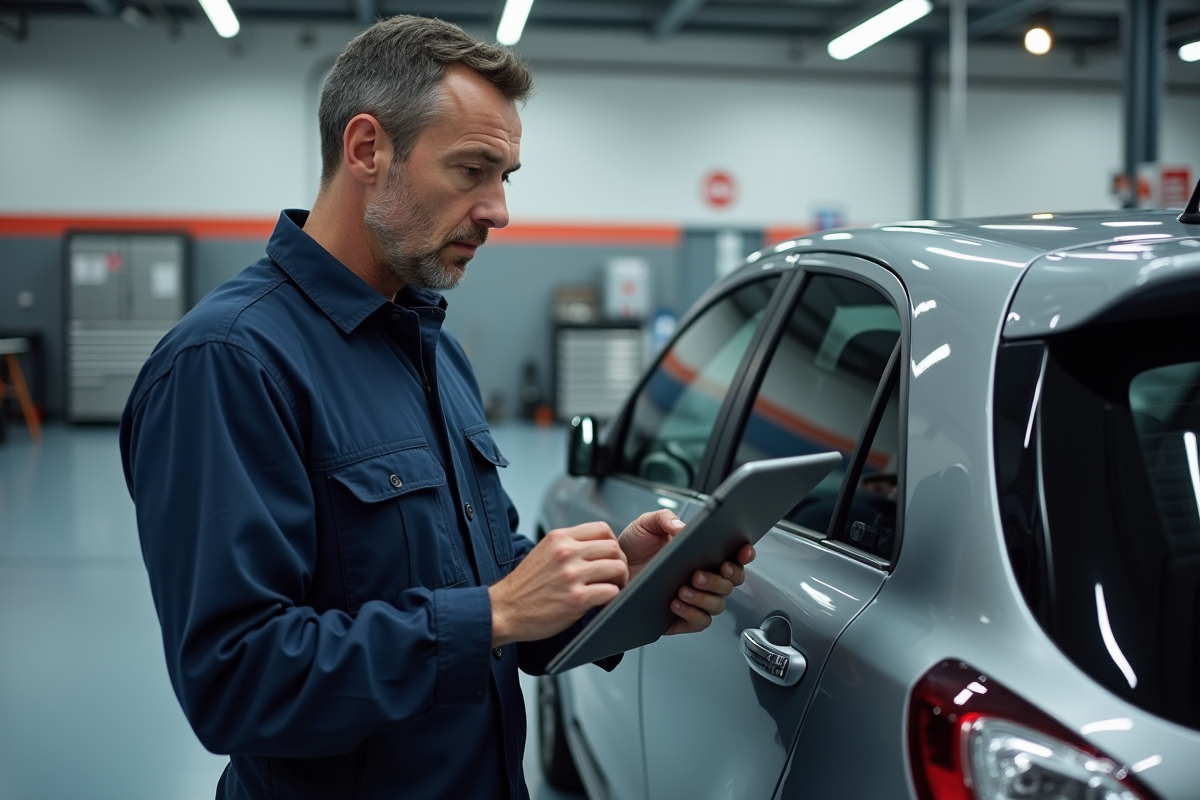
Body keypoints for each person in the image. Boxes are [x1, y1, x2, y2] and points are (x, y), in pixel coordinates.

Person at [119, 15, 754, 800]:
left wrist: (616, 586)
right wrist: (489, 614)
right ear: (366, 150)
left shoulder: (429, 344)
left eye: (506, 176)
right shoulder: (228, 364)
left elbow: (485, 575)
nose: (499, 209)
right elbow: (236, 681)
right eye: (471, 170)